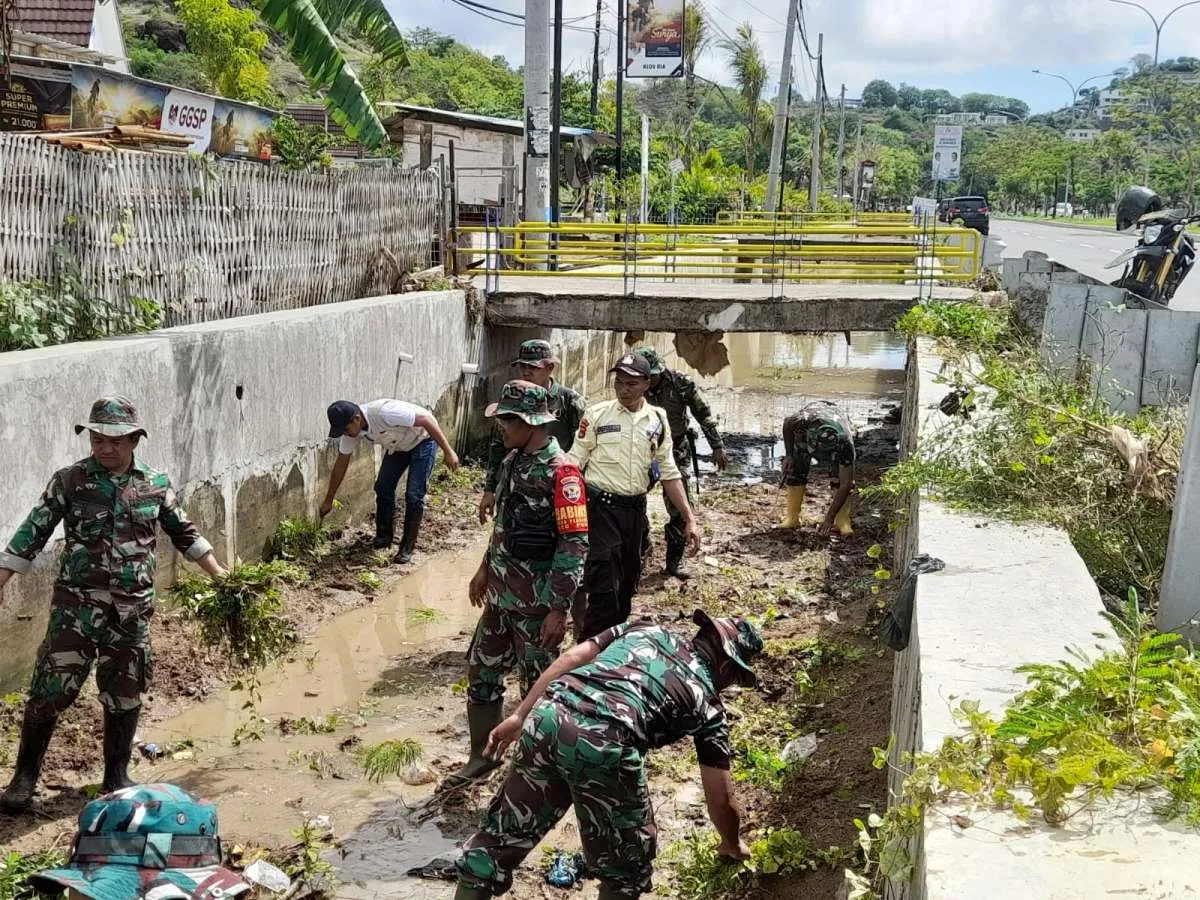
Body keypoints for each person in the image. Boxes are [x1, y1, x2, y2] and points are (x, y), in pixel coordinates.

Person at [0, 398, 226, 814]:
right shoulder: (70, 481)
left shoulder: (155, 484)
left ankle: (116, 777)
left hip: (131, 613)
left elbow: (184, 532)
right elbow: (34, 529)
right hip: (75, 609)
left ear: (135, 440)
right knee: (50, 688)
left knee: (124, 692)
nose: (105, 448)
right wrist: (2, 577)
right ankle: (23, 779)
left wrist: (221, 576)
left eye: (115, 441)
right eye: (97, 439)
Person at [453, 610, 764, 900]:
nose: (730, 684)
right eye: (735, 677)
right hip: (606, 743)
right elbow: (720, 798)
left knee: (495, 844)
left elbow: (574, 657)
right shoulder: (707, 705)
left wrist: (521, 715)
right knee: (627, 870)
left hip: (549, 714)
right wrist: (733, 843)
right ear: (726, 666)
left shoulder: (645, 628)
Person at [445, 381, 589, 791]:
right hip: (501, 597)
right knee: (482, 673)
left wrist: (559, 608)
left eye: (508, 420)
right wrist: (483, 569)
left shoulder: (563, 473)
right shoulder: (511, 461)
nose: (501, 427)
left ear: (530, 422)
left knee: (538, 689)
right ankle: (482, 756)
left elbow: (574, 542)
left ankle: (539, 772)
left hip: (538, 605)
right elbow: (503, 527)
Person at [568, 353, 700, 640]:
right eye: (619, 383)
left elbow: (669, 471)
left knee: (626, 591)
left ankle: (607, 648)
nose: (623, 389)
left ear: (646, 384)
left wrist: (689, 518)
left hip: (634, 514)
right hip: (599, 511)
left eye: (630, 384)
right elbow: (573, 464)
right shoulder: (597, 415)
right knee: (603, 588)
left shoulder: (657, 419)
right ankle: (586, 658)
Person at [322, 398, 460, 563]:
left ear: (357, 419)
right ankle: (383, 538)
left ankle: (406, 549)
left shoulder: (385, 412)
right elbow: (341, 464)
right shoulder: (352, 432)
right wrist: (329, 498)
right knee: (383, 487)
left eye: (345, 430)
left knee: (414, 494)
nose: (346, 434)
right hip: (399, 446)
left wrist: (448, 451)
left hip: (423, 440)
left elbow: (427, 420)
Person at [636, 347, 728, 579]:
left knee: (680, 506)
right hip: (640, 450)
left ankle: (674, 560)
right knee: (631, 498)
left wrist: (717, 446)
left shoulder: (681, 383)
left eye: (654, 375)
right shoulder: (632, 384)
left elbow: (703, 414)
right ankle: (642, 544)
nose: (652, 380)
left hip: (676, 448)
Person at [478, 341, 585, 526]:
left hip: (553, 480)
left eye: (533, 367)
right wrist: (490, 490)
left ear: (550, 367)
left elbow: (584, 444)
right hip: (519, 478)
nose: (526, 372)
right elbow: (497, 447)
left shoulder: (570, 401)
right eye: (522, 367)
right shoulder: (513, 400)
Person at [780, 400, 856, 537]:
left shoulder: (845, 444)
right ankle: (792, 518)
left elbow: (847, 484)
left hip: (835, 441)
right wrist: (789, 455)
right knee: (796, 469)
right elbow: (787, 423)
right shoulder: (802, 420)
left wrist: (829, 518)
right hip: (806, 436)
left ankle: (842, 521)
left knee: (838, 478)